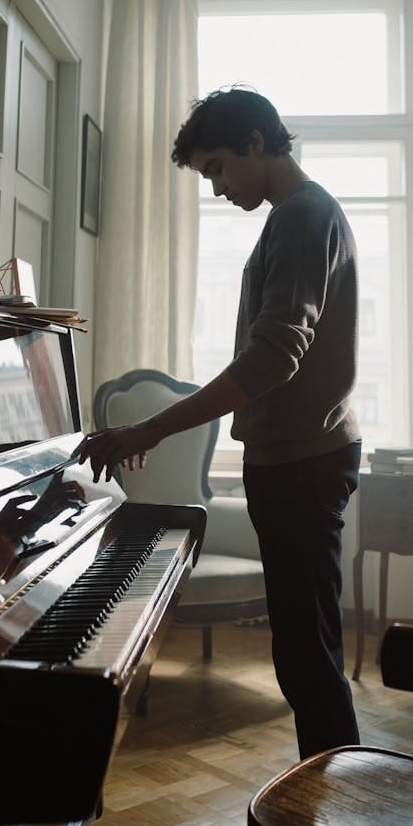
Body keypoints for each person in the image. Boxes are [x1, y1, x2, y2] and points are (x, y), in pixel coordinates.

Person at [79, 87, 362, 759]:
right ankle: (330, 789)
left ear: (255, 143)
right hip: (294, 459)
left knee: (307, 656)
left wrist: (149, 430)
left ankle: (334, 795)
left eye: (217, 169)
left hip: (300, 464)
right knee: (305, 650)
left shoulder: (302, 215)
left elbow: (273, 356)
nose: (217, 188)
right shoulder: (295, 215)